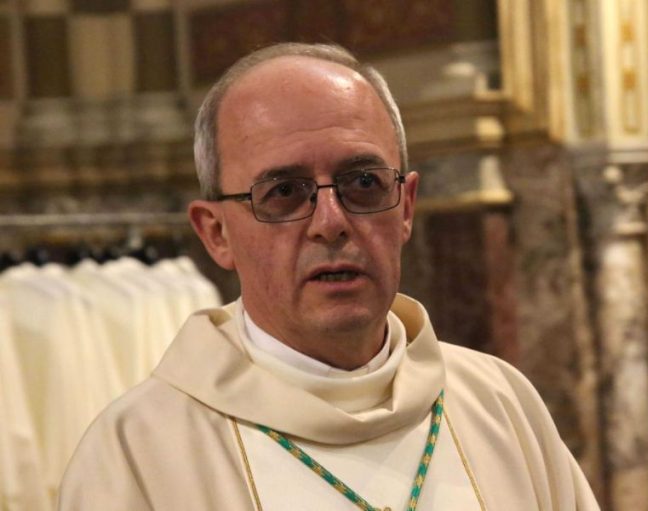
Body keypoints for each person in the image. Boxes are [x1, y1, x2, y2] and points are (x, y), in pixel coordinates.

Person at [58, 42, 600, 510]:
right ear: (216, 233)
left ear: (406, 207)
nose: (331, 222)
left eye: (363, 182)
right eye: (283, 192)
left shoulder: (500, 405)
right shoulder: (137, 454)